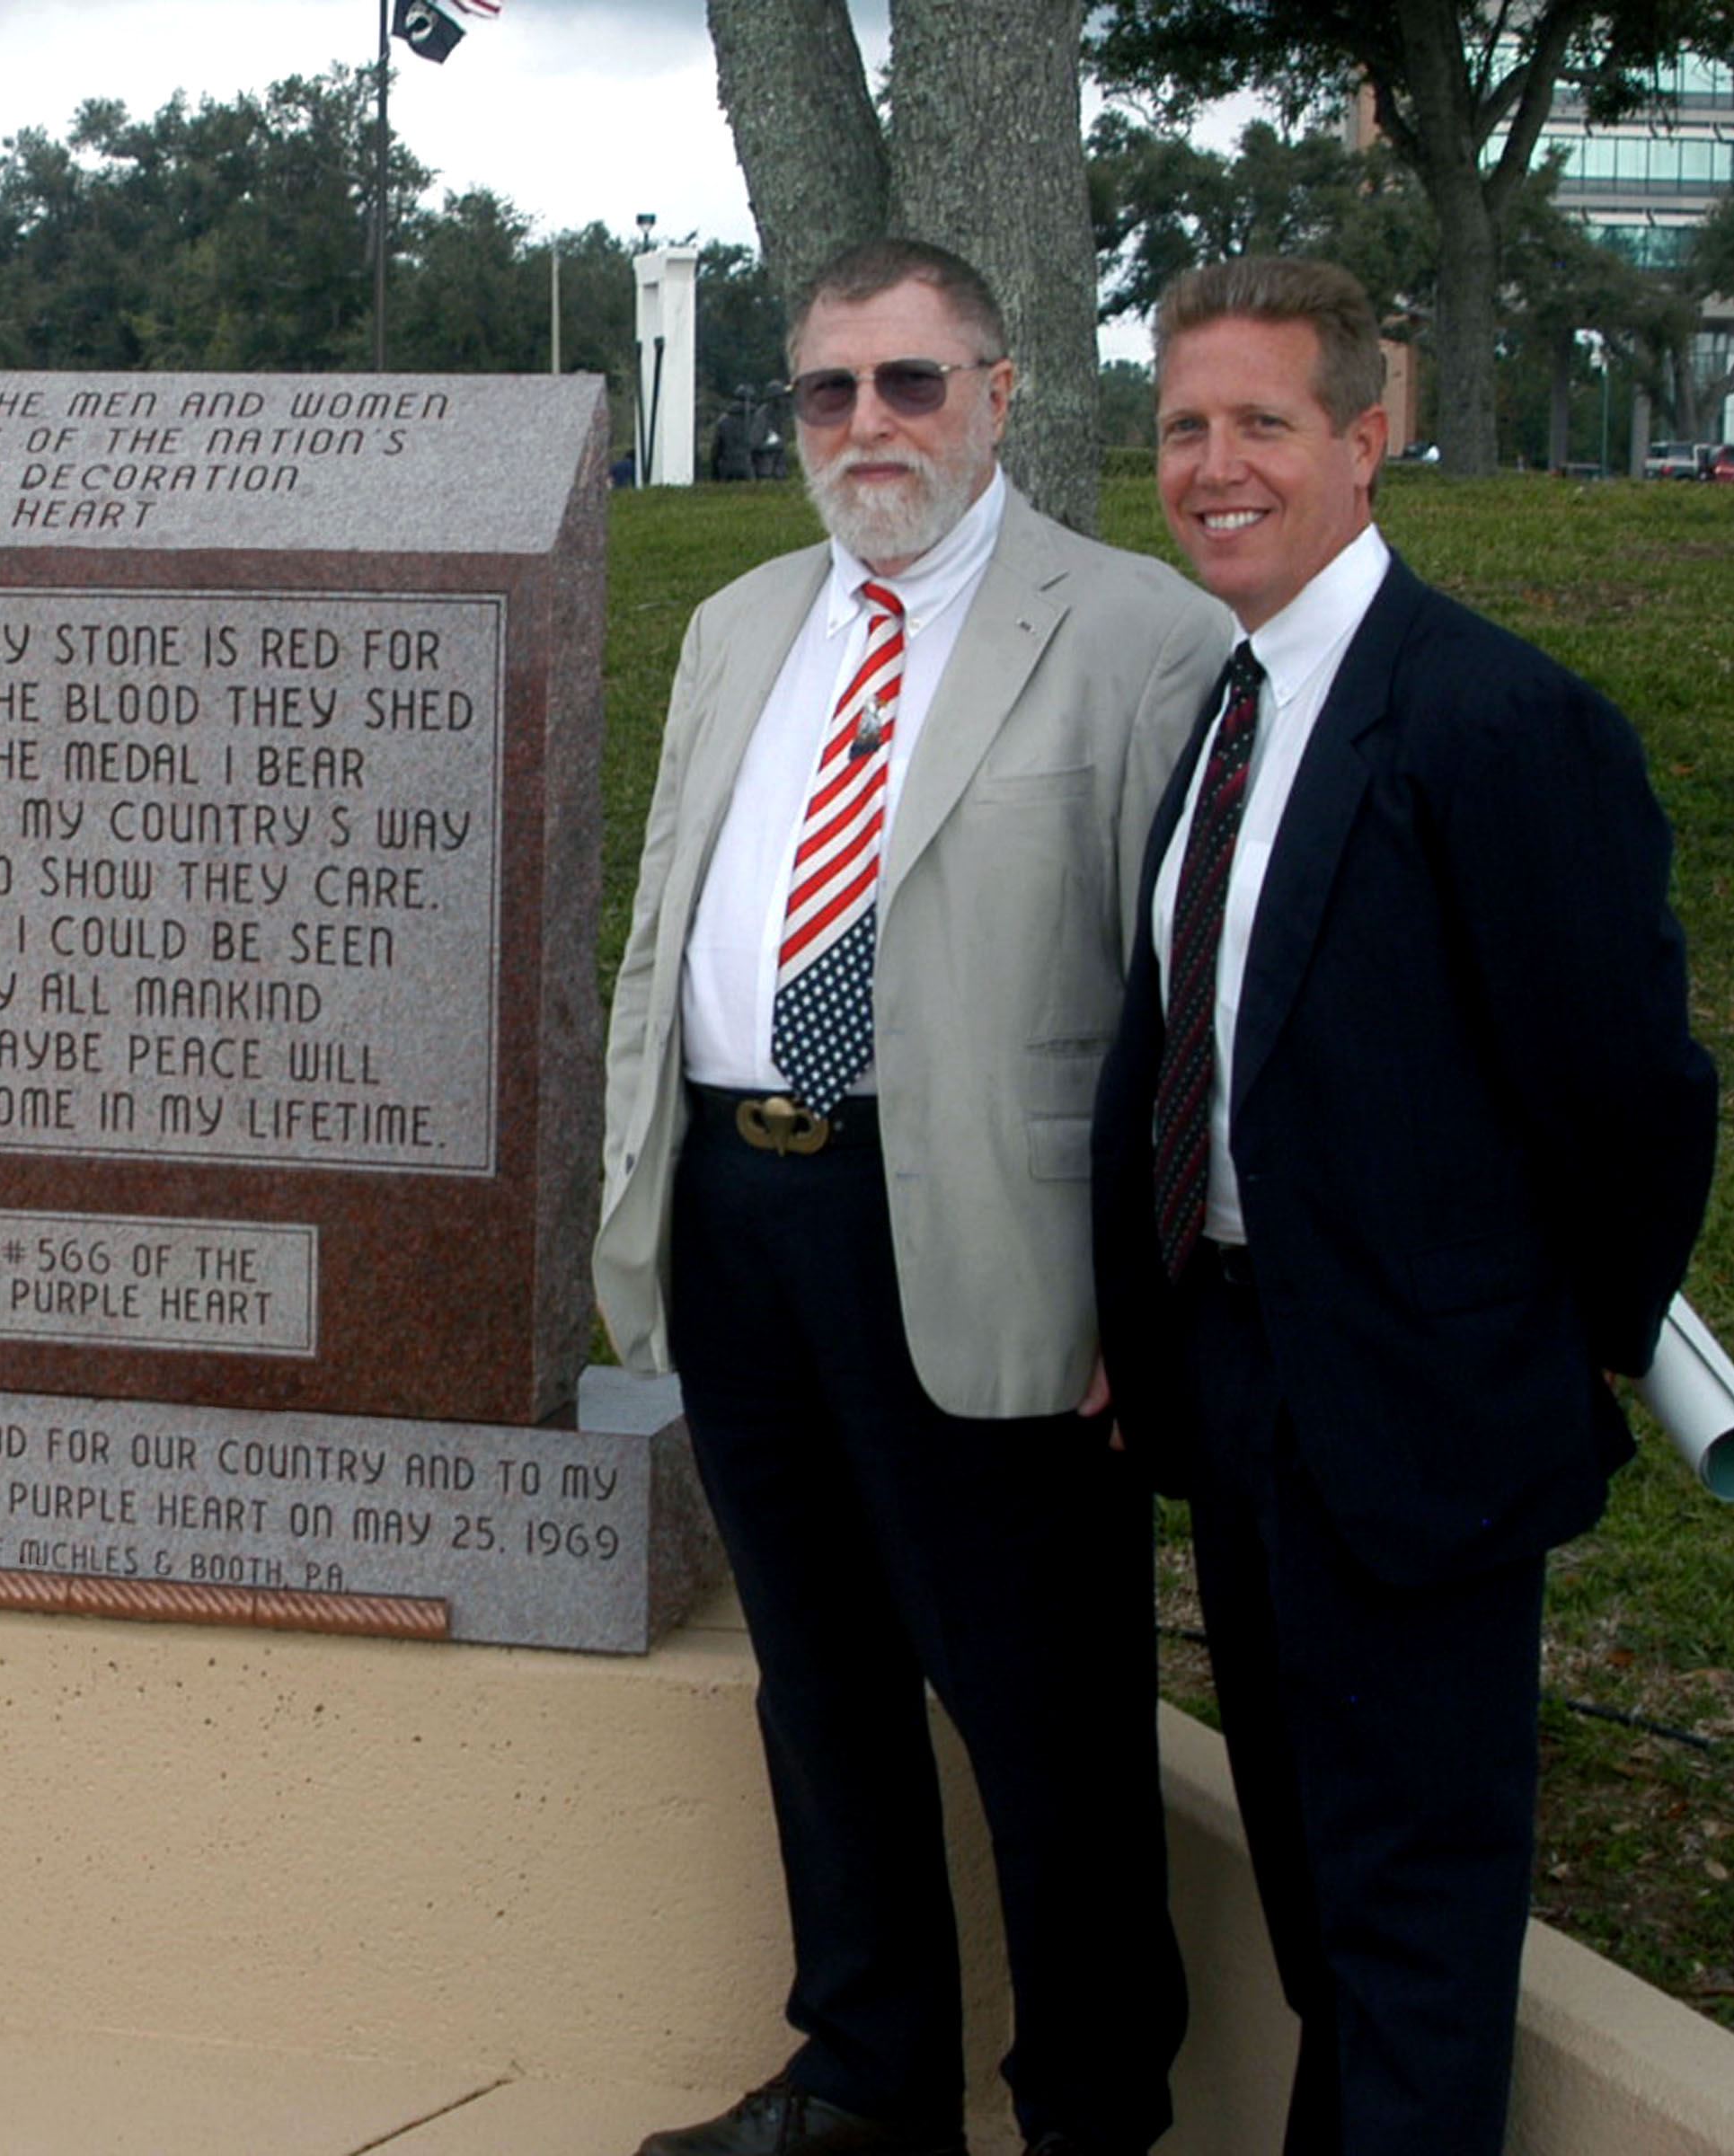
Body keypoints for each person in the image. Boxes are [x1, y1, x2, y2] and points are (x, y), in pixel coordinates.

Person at [597, 236, 1233, 2156]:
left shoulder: (1138, 636)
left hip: (986, 1248)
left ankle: (1093, 2112)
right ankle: (867, 2084)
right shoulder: (741, 625)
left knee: (1047, 1726)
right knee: (822, 1687)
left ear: (1001, 393)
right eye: (827, 392)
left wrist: (1150, 1297)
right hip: (743, 1221)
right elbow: (666, 928)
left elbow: (1190, 1011)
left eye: (910, 384)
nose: (866, 427)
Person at [1090, 255, 1718, 2154]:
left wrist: (1531, 1346)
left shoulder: (1498, 724)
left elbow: (1631, 1103)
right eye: (1188, 425)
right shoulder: (1237, 702)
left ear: (1366, 440)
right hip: (1246, 1385)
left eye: (1263, 423)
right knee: (1318, 1896)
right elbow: (1189, 1034)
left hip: (1421, 1418)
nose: (1216, 466)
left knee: (1419, 1921)